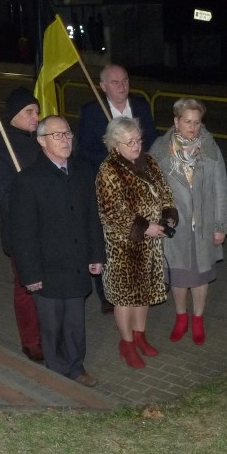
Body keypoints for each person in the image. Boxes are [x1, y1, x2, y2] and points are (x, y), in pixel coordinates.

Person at [9, 116, 105, 387]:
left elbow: (92, 217)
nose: (65, 140)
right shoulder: (28, 180)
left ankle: (76, 368)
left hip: (75, 264)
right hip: (46, 268)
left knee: (75, 323)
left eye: (67, 134)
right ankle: (56, 372)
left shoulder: (83, 171)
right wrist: (30, 273)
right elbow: (22, 233)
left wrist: (97, 255)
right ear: (41, 141)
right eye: (57, 135)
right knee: (51, 326)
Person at [96, 116, 178, 369]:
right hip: (124, 246)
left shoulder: (149, 162)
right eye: (129, 142)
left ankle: (140, 335)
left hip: (151, 246)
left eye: (139, 140)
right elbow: (111, 213)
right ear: (114, 145)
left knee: (144, 293)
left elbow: (165, 193)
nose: (136, 146)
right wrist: (145, 227)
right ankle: (127, 343)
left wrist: (168, 218)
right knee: (125, 297)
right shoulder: (108, 170)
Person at [78, 64, 157, 314]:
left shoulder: (141, 106)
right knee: (110, 237)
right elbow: (85, 150)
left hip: (139, 182)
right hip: (110, 184)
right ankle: (107, 294)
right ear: (102, 86)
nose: (122, 86)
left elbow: (152, 141)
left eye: (125, 80)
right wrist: (115, 162)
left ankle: (142, 281)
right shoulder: (91, 112)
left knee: (139, 230)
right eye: (115, 82)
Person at [149, 98, 227, 345]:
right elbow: (151, 191)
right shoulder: (160, 150)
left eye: (197, 122)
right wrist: (157, 221)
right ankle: (181, 316)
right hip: (175, 227)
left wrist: (220, 226)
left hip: (204, 226)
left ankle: (198, 319)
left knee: (201, 275)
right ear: (176, 121)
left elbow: (221, 190)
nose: (193, 127)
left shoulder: (210, 148)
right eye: (187, 121)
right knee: (179, 275)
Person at [0, 87, 44, 362]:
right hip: (21, 231)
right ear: (13, 116)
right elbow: (7, 197)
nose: (36, 117)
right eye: (29, 112)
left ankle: (52, 332)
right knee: (27, 287)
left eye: (37, 111)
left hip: (51, 227)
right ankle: (31, 340)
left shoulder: (41, 142)